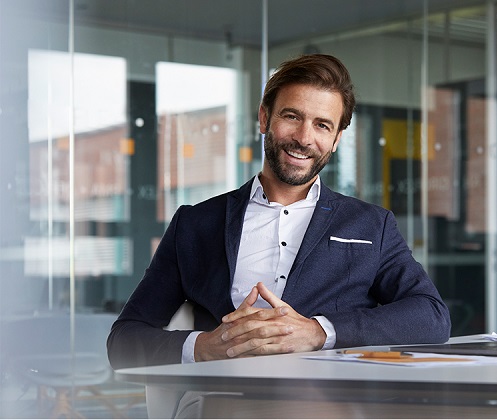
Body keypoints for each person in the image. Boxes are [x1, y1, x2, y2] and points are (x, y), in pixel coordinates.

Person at [107, 54, 451, 370]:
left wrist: (319, 332)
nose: (304, 137)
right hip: (226, 400)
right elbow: (124, 340)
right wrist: (205, 347)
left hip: (329, 400)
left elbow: (431, 317)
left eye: (322, 125)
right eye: (292, 116)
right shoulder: (196, 224)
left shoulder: (371, 225)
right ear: (264, 118)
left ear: (336, 139)